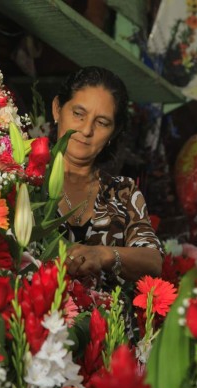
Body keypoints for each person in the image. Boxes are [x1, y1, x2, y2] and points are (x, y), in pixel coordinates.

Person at [51, 66, 163, 288]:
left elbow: (154, 261)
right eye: (78, 114)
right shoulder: (23, 175)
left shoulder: (122, 191)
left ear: (114, 132)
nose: (86, 130)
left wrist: (104, 255)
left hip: (107, 321)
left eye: (102, 123)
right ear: (57, 109)